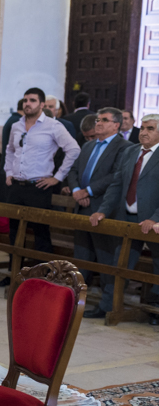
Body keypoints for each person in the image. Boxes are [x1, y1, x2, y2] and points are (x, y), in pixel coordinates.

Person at [0, 87, 80, 286]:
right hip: (17, 185)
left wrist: (57, 177)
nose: (28, 104)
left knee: (41, 232)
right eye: (25, 100)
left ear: (42, 104)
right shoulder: (16, 125)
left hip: (39, 187)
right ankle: (14, 274)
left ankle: (44, 278)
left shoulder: (53, 126)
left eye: (32, 100)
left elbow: (74, 149)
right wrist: (8, 172)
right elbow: (9, 150)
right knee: (14, 232)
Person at [91, 113, 159, 325]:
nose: (144, 133)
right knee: (119, 264)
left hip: (153, 222)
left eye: (150, 129)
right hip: (127, 218)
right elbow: (117, 184)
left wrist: (155, 218)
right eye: (143, 128)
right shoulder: (130, 151)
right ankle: (108, 306)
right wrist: (103, 210)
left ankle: (155, 311)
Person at [67, 107, 130, 317]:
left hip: (104, 209)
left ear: (116, 125)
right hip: (82, 206)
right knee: (81, 257)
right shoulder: (88, 145)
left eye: (104, 120)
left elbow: (115, 176)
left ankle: (106, 305)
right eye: (97, 120)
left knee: (105, 259)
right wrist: (77, 191)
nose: (99, 123)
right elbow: (74, 170)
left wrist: (89, 191)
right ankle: (74, 299)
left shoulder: (124, 147)